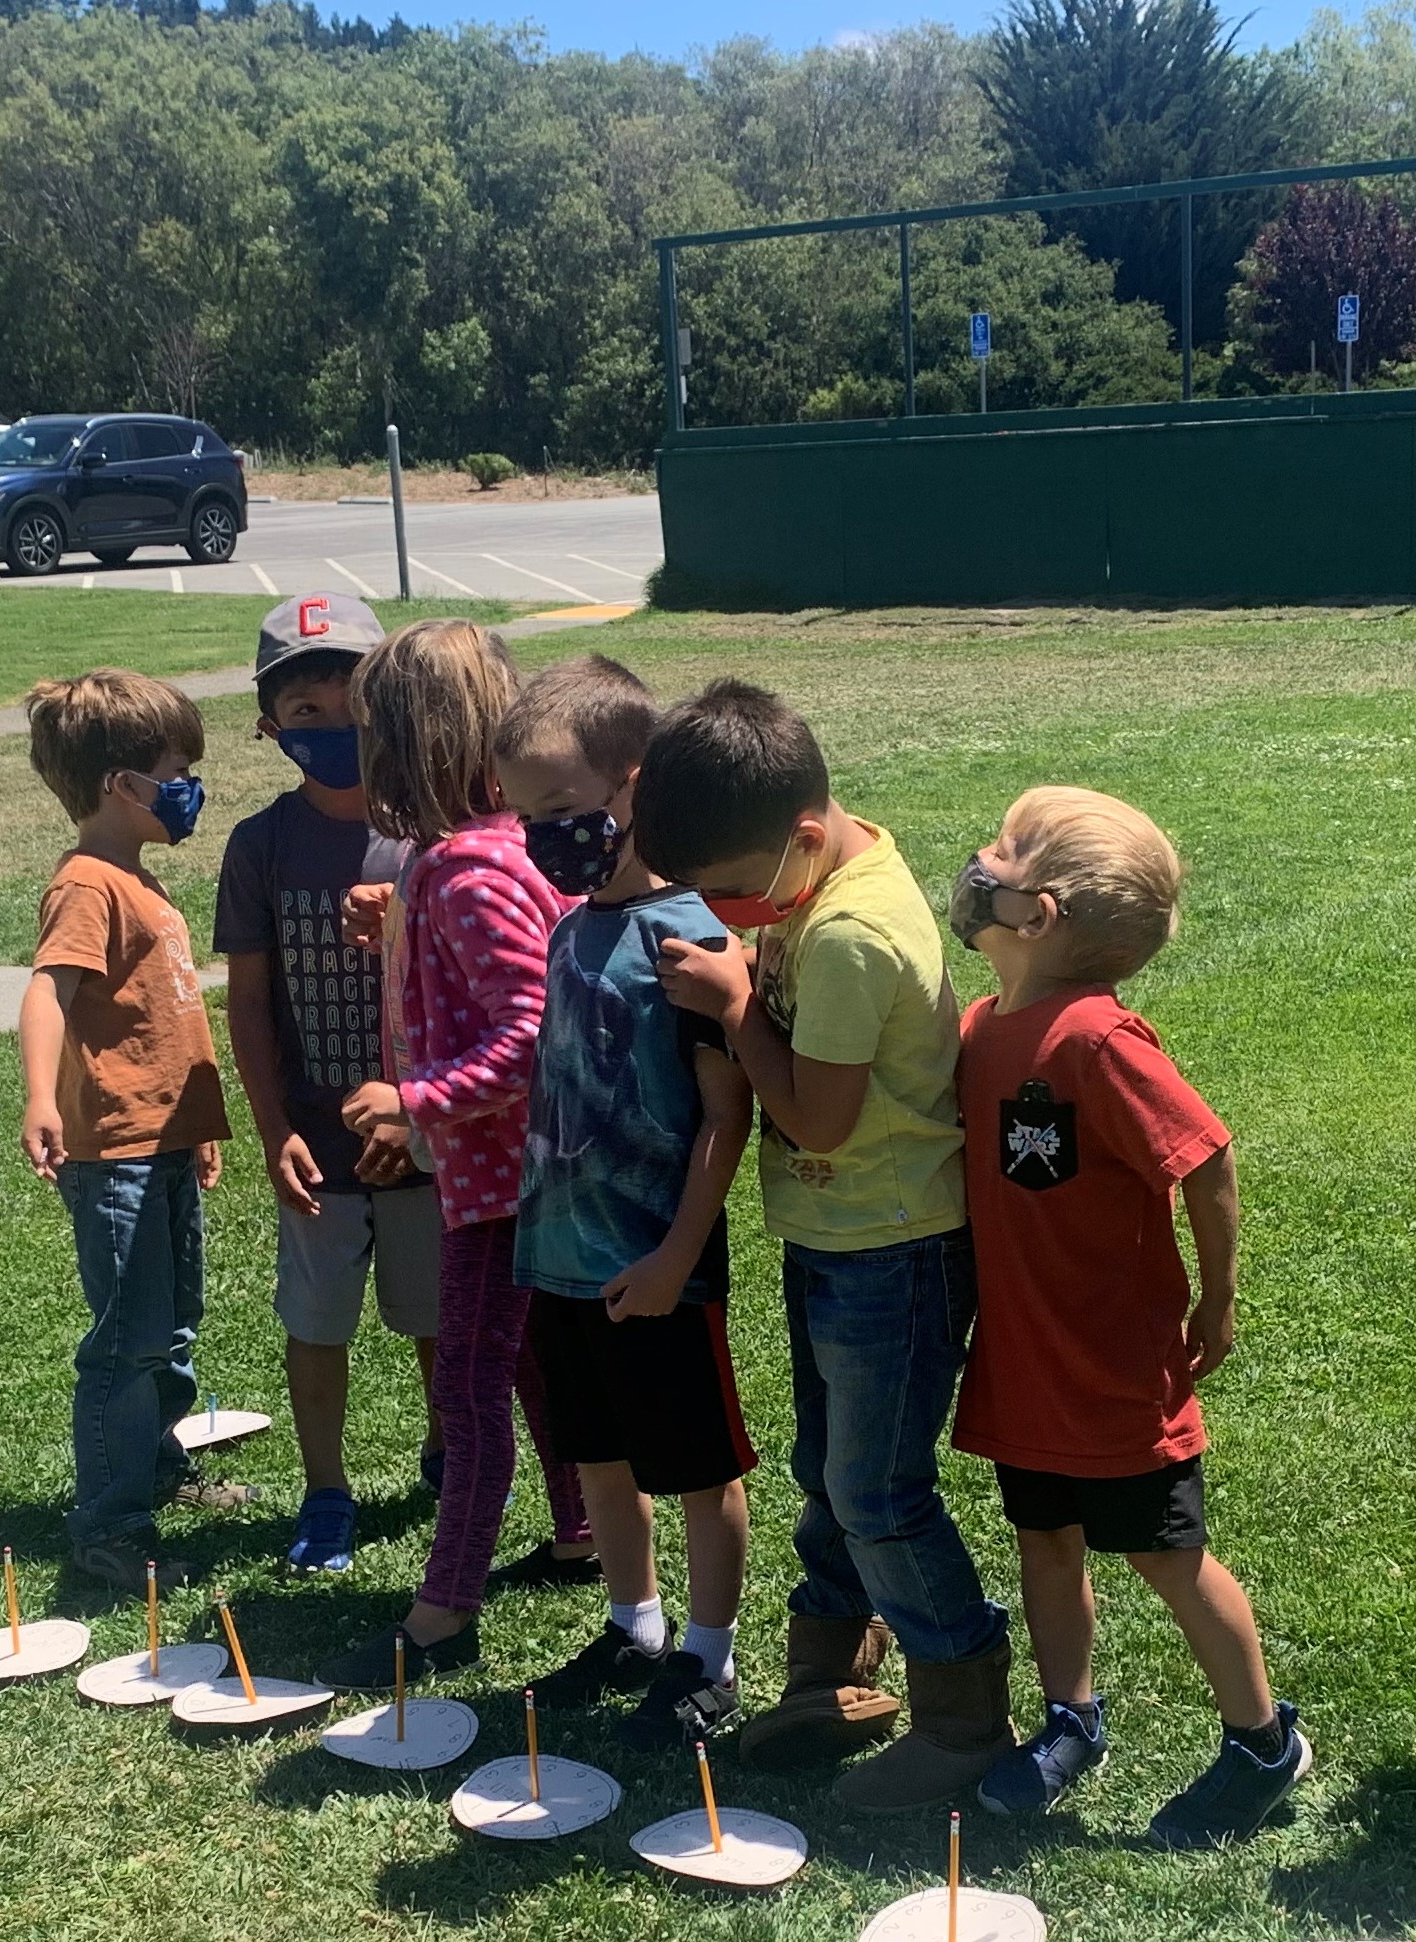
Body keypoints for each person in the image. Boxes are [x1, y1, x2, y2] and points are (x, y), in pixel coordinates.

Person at [643, 680, 1010, 1814]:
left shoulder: (849, 932)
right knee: (830, 1470)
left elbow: (817, 1120)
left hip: (891, 1249)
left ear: (803, 837)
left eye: (729, 888)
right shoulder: (827, 873)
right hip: (838, 1235)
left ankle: (965, 1716)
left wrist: (734, 1005)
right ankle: (831, 1668)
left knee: (876, 1488)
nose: (721, 911)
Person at [948, 787, 1306, 1847]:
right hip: (1023, 1360)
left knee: (1166, 1557)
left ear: (1038, 913)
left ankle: (1262, 1742)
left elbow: (1205, 1156)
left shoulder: (1097, 1041)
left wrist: (1218, 1297)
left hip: (1113, 1369)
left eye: (1006, 849)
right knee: (1044, 1542)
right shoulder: (980, 1029)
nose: (980, 859)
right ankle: (1071, 1719)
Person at [307, 620, 585, 1688]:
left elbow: (532, 1030)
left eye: (369, 731)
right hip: (520, 1174)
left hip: (502, 1183)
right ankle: (578, 1530)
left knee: (467, 1389)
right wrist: (403, 927)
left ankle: (444, 1605)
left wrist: (414, 1098)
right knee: (529, 1360)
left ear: (408, 744)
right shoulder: (487, 854)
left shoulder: (469, 873)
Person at [496, 658, 761, 1743]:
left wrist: (674, 1257)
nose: (541, 835)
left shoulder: (693, 936)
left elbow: (725, 1114)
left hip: (656, 1264)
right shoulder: (568, 930)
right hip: (561, 1258)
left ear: (633, 786)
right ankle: (633, 1624)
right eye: (524, 816)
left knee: (697, 1468)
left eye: (559, 807)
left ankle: (709, 1652)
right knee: (598, 1459)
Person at [211, 593, 450, 1574]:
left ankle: (452, 1453)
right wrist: (275, 1131)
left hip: (425, 1137)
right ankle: (325, 1488)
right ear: (269, 725)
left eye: (351, 702)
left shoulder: (431, 836)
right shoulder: (260, 845)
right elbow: (250, 1003)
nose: (332, 726)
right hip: (316, 1141)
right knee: (316, 1325)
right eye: (304, 710)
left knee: (436, 1317)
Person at [14, 669, 232, 1591]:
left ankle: (158, 1466)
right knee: (126, 1341)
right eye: (176, 773)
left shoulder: (136, 880)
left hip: (164, 1144)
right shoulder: (86, 887)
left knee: (171, 1327)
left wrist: (195, 1125)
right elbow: (47, 992)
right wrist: (40, 1096)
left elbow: (161, 1021)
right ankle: (109, 1524)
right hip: (117, 1159)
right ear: (121, 785)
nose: (190, 788)